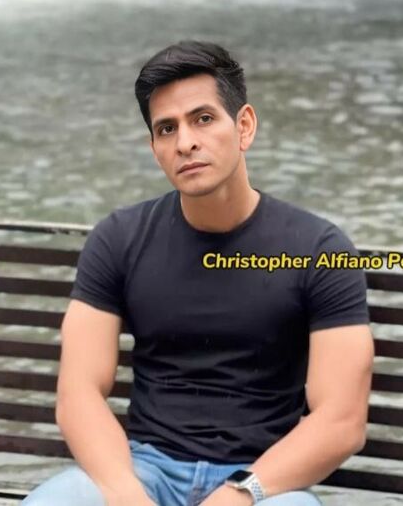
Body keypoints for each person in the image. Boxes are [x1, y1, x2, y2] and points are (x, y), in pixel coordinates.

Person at [22, 40, 373, 506]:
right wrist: (126, 494)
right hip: (144, 471)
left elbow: (342, 421)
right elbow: (78, 393)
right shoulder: (119, 239)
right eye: (166, 129)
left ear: (244, 126)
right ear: (154, 148)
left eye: (203, 119)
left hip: (261, 484)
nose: (184, 142)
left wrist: (240, 492)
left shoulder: (320, 250)